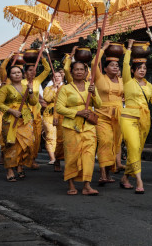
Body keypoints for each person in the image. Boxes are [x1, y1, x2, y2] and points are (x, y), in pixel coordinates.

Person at [120, 39, 152, 194]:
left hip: (144, 119)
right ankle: (139, 181)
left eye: (144, 68)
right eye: (139, 68)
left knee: (137, 149)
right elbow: (125, 65)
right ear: (133, 70)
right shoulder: (128, 80)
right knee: (134, 147)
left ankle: (125, 178)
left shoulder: (149, 86)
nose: (142, 70)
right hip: (128, 117)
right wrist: (128, 49)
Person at [59, 55, 102, 196]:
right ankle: (71, 184)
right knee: (72, 155)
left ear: (86, 72)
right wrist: (77, 112)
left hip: (88, 126)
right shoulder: (65, 89)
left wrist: (93, 93)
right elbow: (59, 108)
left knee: (89, 156)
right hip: (71, 126)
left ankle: (87, 185)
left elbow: (99, 105)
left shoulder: (90, 87)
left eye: (81, 70)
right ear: (71, 72)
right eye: (76, 69)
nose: (78, 72)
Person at [0, 54, 50, 169]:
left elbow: (47, 70)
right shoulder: (20, 83)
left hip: (35, 113)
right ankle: (15, 163)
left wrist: (42, 57)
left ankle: (32, 159)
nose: (33, 72)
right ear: (25, 72)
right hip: (21, 115)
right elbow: (3, 71)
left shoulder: (37, 81)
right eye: (30, 70)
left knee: (35, 139)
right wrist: (8, 58)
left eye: (35, 70)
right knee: (16, 139)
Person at [0, 63, 38, 181]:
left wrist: (30, 91)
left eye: (18, 72)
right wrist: (11, 111)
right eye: (13, 73)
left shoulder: (26, 87)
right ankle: (9, 170)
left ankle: (20, 165)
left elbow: (33, 103)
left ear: (22, 74)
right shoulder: (5, 88)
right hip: (10, 119)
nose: (16, 74)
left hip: (25, 119)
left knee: (28, 143)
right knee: (11, 144)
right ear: (9, 76)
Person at [90, 43, 124, 185]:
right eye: (112, 65)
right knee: (105, 141)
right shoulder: (100, 78)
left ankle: (109, 173)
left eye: (117, 65)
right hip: (101, 115)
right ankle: (102, 173)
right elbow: (93, 63)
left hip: (118, 116)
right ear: (104, 68)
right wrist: (103, 48)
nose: (115, 67)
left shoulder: (122, 80)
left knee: (115, 144)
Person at [41, 70, 64, 165]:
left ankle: (59, 157)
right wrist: (54, 88)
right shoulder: (48, 88)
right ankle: (52, 158)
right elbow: (47, 99)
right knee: (50, 136)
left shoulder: (65, 88)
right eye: (55, 76)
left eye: (59, 76)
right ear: (52, 78)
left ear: (62, 78)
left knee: (61, 137)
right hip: (49, 114)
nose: (57, 77)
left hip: (62, 114)